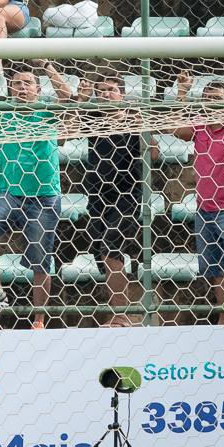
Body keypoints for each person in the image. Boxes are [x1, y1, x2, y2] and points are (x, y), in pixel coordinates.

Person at [0, 61, 71, 329]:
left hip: (44, 196)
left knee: (41, 261)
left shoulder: (48, 112)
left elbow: (67, 96)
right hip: (10, 194)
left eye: (28, 82)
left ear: (38, 89)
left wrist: (49, 67)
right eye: (17, 83)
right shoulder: (2, 112)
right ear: (9, 88)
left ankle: (38, 320)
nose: (22, 87)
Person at [77, 69, 153, 327]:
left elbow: (154, 155)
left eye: (111, 90)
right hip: (98, 196)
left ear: (122, 93)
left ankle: (122, 315)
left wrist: (143, 128)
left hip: (127, 195)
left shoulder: (133, 120)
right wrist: (81, 98)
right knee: (105, 256)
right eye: (101, 91)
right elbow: (65, 132)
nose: (106, 94)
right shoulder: (94, 120)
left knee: (110, 248)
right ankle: (121, 312)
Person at [173, 74, 224, 325]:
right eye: (208, 99)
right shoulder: (200, 126)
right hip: (205, 207)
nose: (212, 104)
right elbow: (176, 130)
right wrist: (182, 92)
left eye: (217, 99)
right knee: (213, 265)